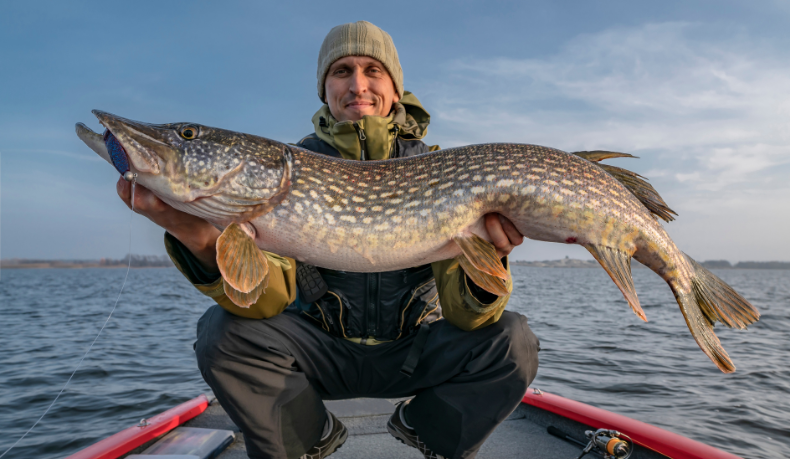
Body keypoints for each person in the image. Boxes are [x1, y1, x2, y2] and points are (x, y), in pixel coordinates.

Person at [117, 21, 540, 459]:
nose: (358, 85)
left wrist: (488, 256)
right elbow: (264, 301)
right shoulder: (288, 172)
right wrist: (193, 231)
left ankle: (425, 428)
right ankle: (310, 435)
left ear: (395, 89)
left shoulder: (446, 174)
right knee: (221, 333)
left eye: (373, 70)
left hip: (414, 352)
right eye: (341, 71)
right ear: (325, 90)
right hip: (321, 352)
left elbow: (468, 318)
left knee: (512, 341)